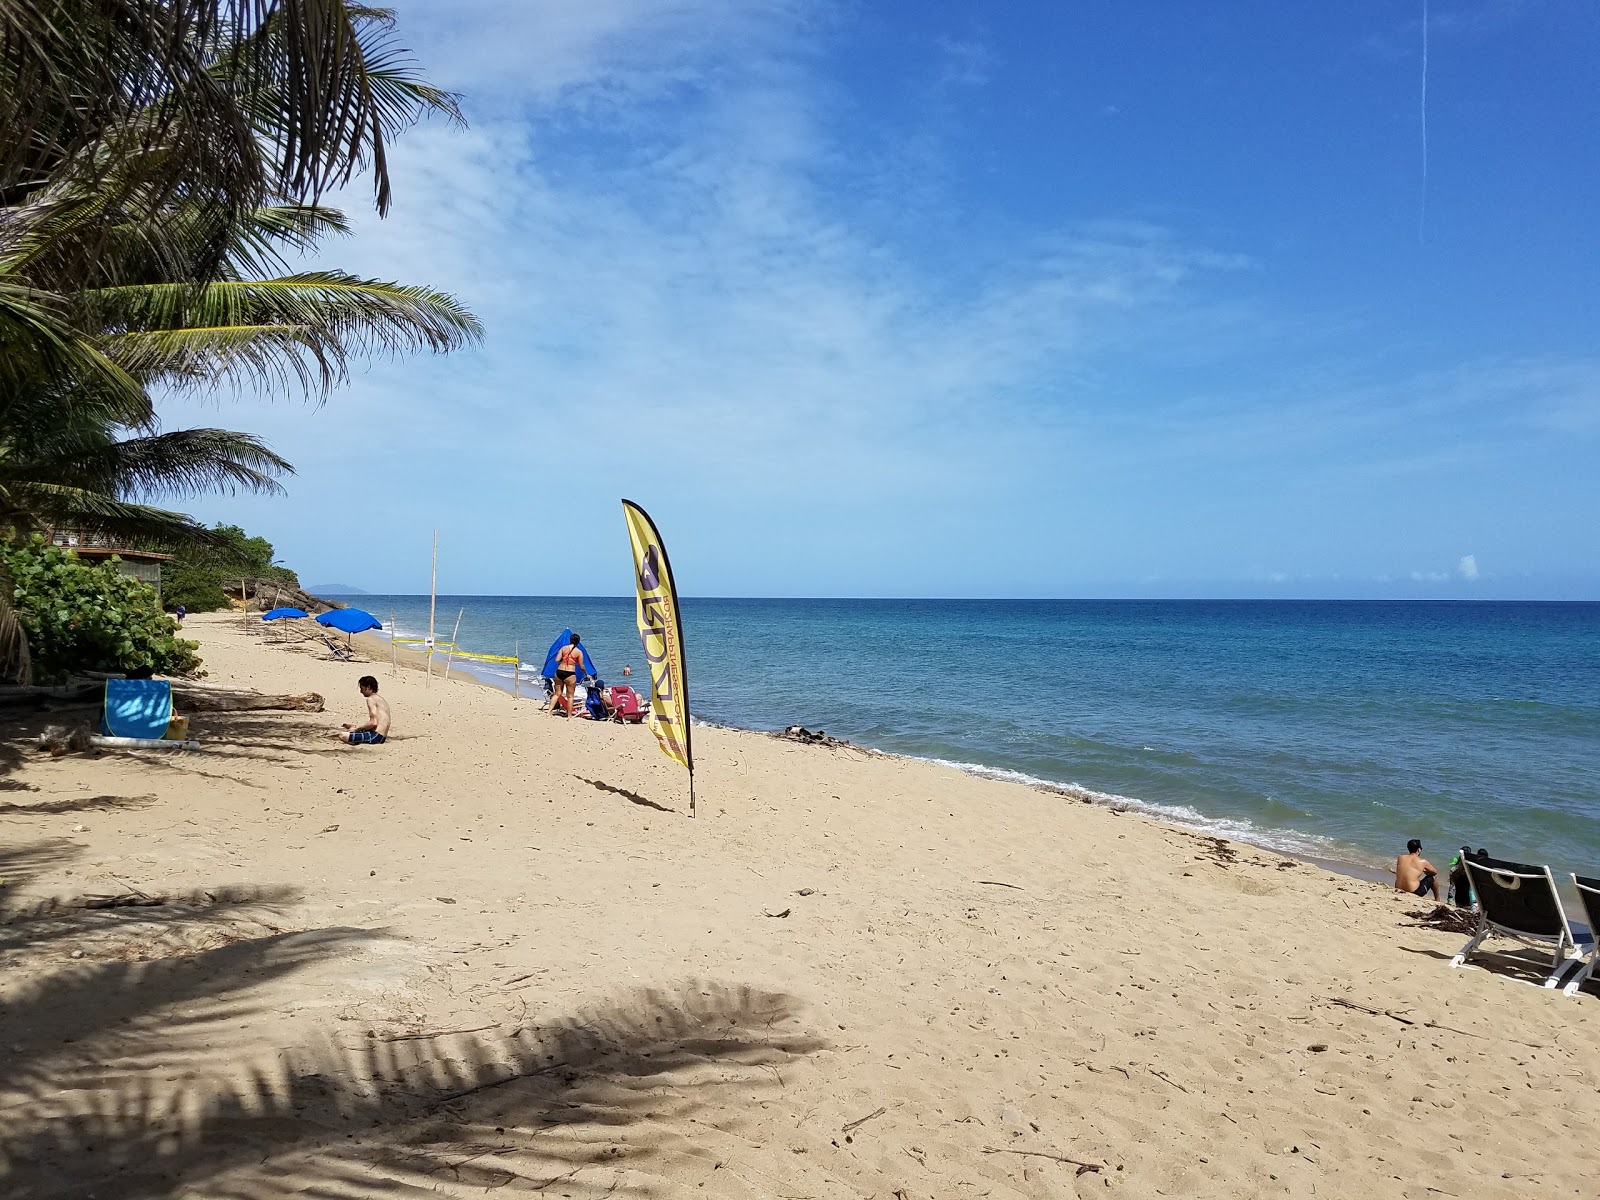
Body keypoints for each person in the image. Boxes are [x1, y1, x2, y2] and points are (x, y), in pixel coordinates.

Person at [333, 675, 390, 745]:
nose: (360, 691)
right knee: (351, 730)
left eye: (362, 688)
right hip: (382, 736)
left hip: (376, 736)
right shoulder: (381, 700)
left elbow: (374, 723)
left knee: (342, 735)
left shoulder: (371, 699)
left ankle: (355, 742)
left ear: (368, 687)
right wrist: (356, 727)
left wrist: (357, 729)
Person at [552, 633, 584, 719]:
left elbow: (557, 659)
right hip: (570, 673)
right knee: (570, 696)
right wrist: (586, 674)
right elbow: (581, 666)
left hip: (559, 671)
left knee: (557, 693)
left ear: (570, 640)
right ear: (578, 642)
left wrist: (565, 658)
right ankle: (569, 715)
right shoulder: (579, 652)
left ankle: (549, 712)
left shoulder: (563, 648)